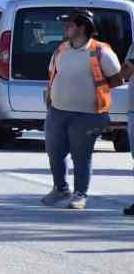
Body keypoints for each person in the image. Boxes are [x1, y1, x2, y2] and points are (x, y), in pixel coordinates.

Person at [42, 11, 126, 210]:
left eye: (69, 24)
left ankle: (80, 194)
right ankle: (60, 188)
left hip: (88, 115)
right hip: (58, 111)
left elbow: (117, 79)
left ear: (82, 27)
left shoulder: (100, 51)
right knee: (54, 151)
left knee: (81, 155)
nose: (65, 28)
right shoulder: (62, 49)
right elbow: (53, 74)